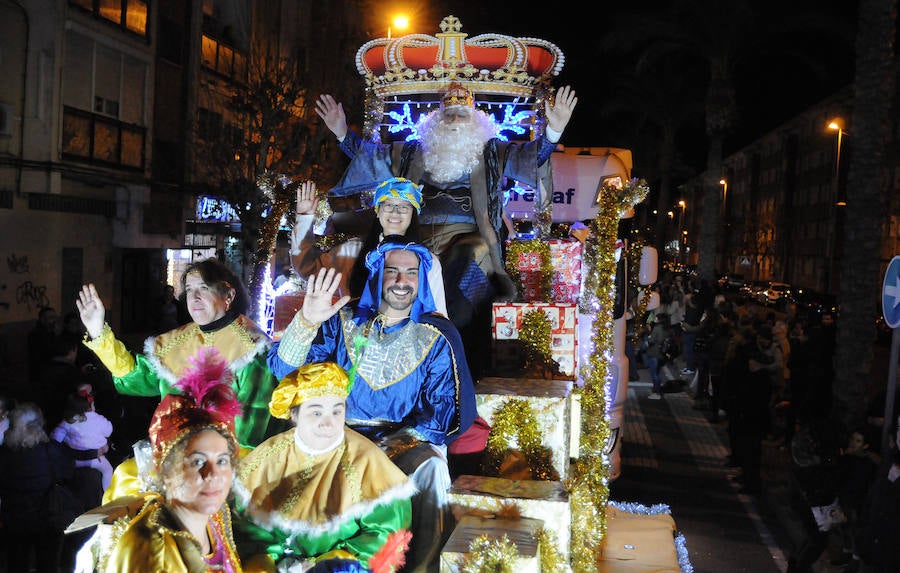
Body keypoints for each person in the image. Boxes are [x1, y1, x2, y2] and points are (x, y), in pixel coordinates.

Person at [316, 83, 577, 375]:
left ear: (476, 121)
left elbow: (531, 157)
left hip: (471, 238)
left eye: (461, 116)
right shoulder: (412, 152)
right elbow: (372, 157)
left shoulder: (492, 152)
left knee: (467, 258)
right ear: (436, 122)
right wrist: (341, 133)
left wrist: (553, 134)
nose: (453, 122)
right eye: (449, 116)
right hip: (418, 240)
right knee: (394, 269)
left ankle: (450, 354)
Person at [268, 237, 478, 571]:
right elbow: (287, 373)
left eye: (410, 273)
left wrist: (387, 446)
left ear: (420, 280)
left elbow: (446, 413)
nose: (400, 280)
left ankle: (421, 568)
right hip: (335, 435)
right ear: (377, 275)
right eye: (392, 271)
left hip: (405, 443)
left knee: (433, 470)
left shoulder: (438, 334)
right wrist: (307, 320)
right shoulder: (344, 321)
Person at [77, 257, 285, 450]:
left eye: (203, 288)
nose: (194, 297)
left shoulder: (251, 348)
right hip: (175, 455)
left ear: (228, 295)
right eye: (189, 289)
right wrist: (99, 333)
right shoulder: (174, 342)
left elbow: (250, 427)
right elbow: (138, 379)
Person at [72, 347, 244, 572]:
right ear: (168, 471)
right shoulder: (147, 545)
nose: (213, 475)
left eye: (222, 460)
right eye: (197, 461)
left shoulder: (216, 516)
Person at [233, 361, 415, 573]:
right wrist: (269, 560)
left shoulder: (365, 460)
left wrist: (324, 564)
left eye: (337, 412)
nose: (329, 424)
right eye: (316, 413)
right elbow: (247, 530)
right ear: (295, 415)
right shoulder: (270, 454)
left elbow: (386, 537)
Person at [291, 177, 447, 316]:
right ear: (378, 212)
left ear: (413, 214)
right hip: (357, 341)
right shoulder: (351, 251)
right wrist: (304, 219)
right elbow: (307, 267)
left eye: (403, 207)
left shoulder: (427, 262)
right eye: (388, 205)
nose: (395, 212)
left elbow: (438, 316)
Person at [0, 402, 76, 573]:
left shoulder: (4, 454)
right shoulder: (51, 451)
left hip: (14, 520)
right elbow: (67, 473)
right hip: (47, 517)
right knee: (48, 565)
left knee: (16, 565)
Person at [51, 390, 115, 490]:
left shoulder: (68, 421)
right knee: (108, 470)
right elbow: (108, 431)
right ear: (91, 406)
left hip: (76, 460)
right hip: (95, 459)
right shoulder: (98, 419)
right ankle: (107, 497)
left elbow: (56, 438)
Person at [28, 305, 60, 382]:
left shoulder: (51, 332)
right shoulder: (36, 335)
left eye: (55, 317)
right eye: (51, 318)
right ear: (42, 320)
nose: (54, 320)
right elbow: (46, 355)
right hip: (42, 374)